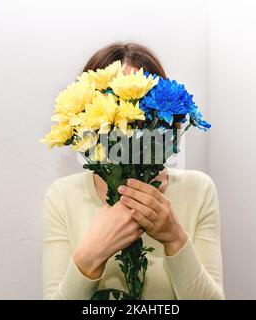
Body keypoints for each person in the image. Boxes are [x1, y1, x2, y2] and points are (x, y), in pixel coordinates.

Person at [42, 42, 225, 300]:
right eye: (111, 101)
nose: (127, 121)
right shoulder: (62, 197)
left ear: (163, 118)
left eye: (141, 107)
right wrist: (90, 256)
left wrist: (175, 238)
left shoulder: (199, 190)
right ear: (85, 116)